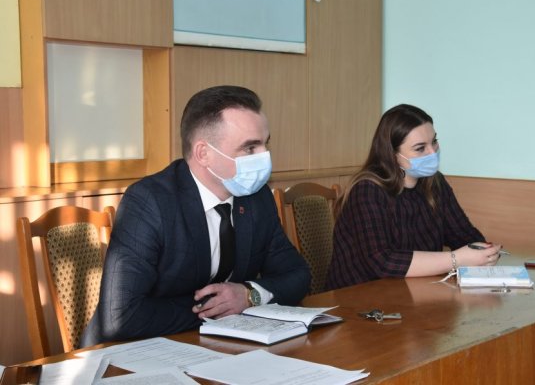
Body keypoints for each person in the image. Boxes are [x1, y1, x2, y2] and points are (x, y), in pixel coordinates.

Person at [82, 85, 311, 346]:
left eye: (265, 144)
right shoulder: (150, 201)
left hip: (215, 345)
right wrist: (218, 309)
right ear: (204, 154)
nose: (264, 157)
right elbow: (120, 317)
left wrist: (249, 295)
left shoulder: (256, 197)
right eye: (250, 148)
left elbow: (298, 275)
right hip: (127, 351)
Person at [325, 104, 502, 290]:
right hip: (358, 295)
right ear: (393, 154)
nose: (432, 152)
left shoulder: (435, 182)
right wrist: (455, 259)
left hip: (413, 290)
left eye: (434, 141)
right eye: (420, 148)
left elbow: (464, 235)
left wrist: (483, 253)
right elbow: (382, 262)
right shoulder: (367, 190)